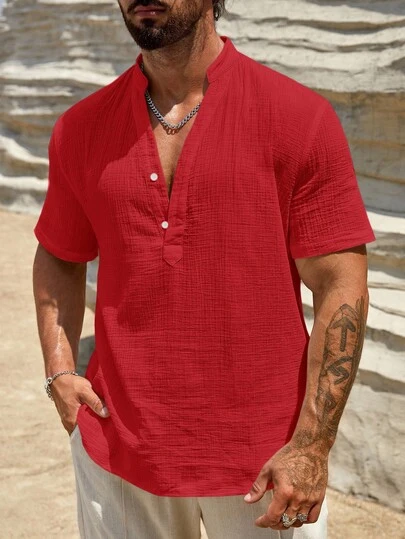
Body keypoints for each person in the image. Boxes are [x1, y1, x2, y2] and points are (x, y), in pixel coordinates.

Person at [33, 0, 375, 537]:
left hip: (267, 459)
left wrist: (312, 444)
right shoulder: (81, 128)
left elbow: (340, 283)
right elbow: (59, 252)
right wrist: (59, 371)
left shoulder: (297, 117)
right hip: (117, 447)